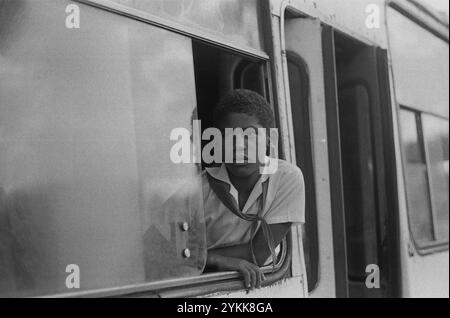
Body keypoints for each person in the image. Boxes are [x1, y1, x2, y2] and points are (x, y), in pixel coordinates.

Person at [203, 89, 305, 290]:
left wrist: (207, 257)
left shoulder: (286, 178)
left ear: (268, 139)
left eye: (249, 135)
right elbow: (166, 255)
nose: (238, 146)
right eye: (228, 136)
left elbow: (259, 253)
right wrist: (218, 261)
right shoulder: (197, 189)